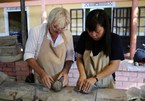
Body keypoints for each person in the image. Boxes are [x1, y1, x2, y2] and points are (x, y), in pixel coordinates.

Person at [75, 9, 124, 94]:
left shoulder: (115, 39)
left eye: (98, 31)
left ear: (105, 28)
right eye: (90, 31)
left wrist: (95, 78)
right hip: (86, 83)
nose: (93, 34)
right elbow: (79, 58)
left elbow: (114, 65)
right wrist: (82, 75)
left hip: (106, 85)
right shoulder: (84, 36)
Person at [24, 7, 74, 90]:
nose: (58, 32)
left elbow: (70, 57)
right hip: (41, 80)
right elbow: (28, 55)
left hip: (60, 82)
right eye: (55, 27)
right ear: (49, 21)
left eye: (62, 28)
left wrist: (65, 71)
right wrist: (42, 73)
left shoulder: (67, 34)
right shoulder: (36, 31)